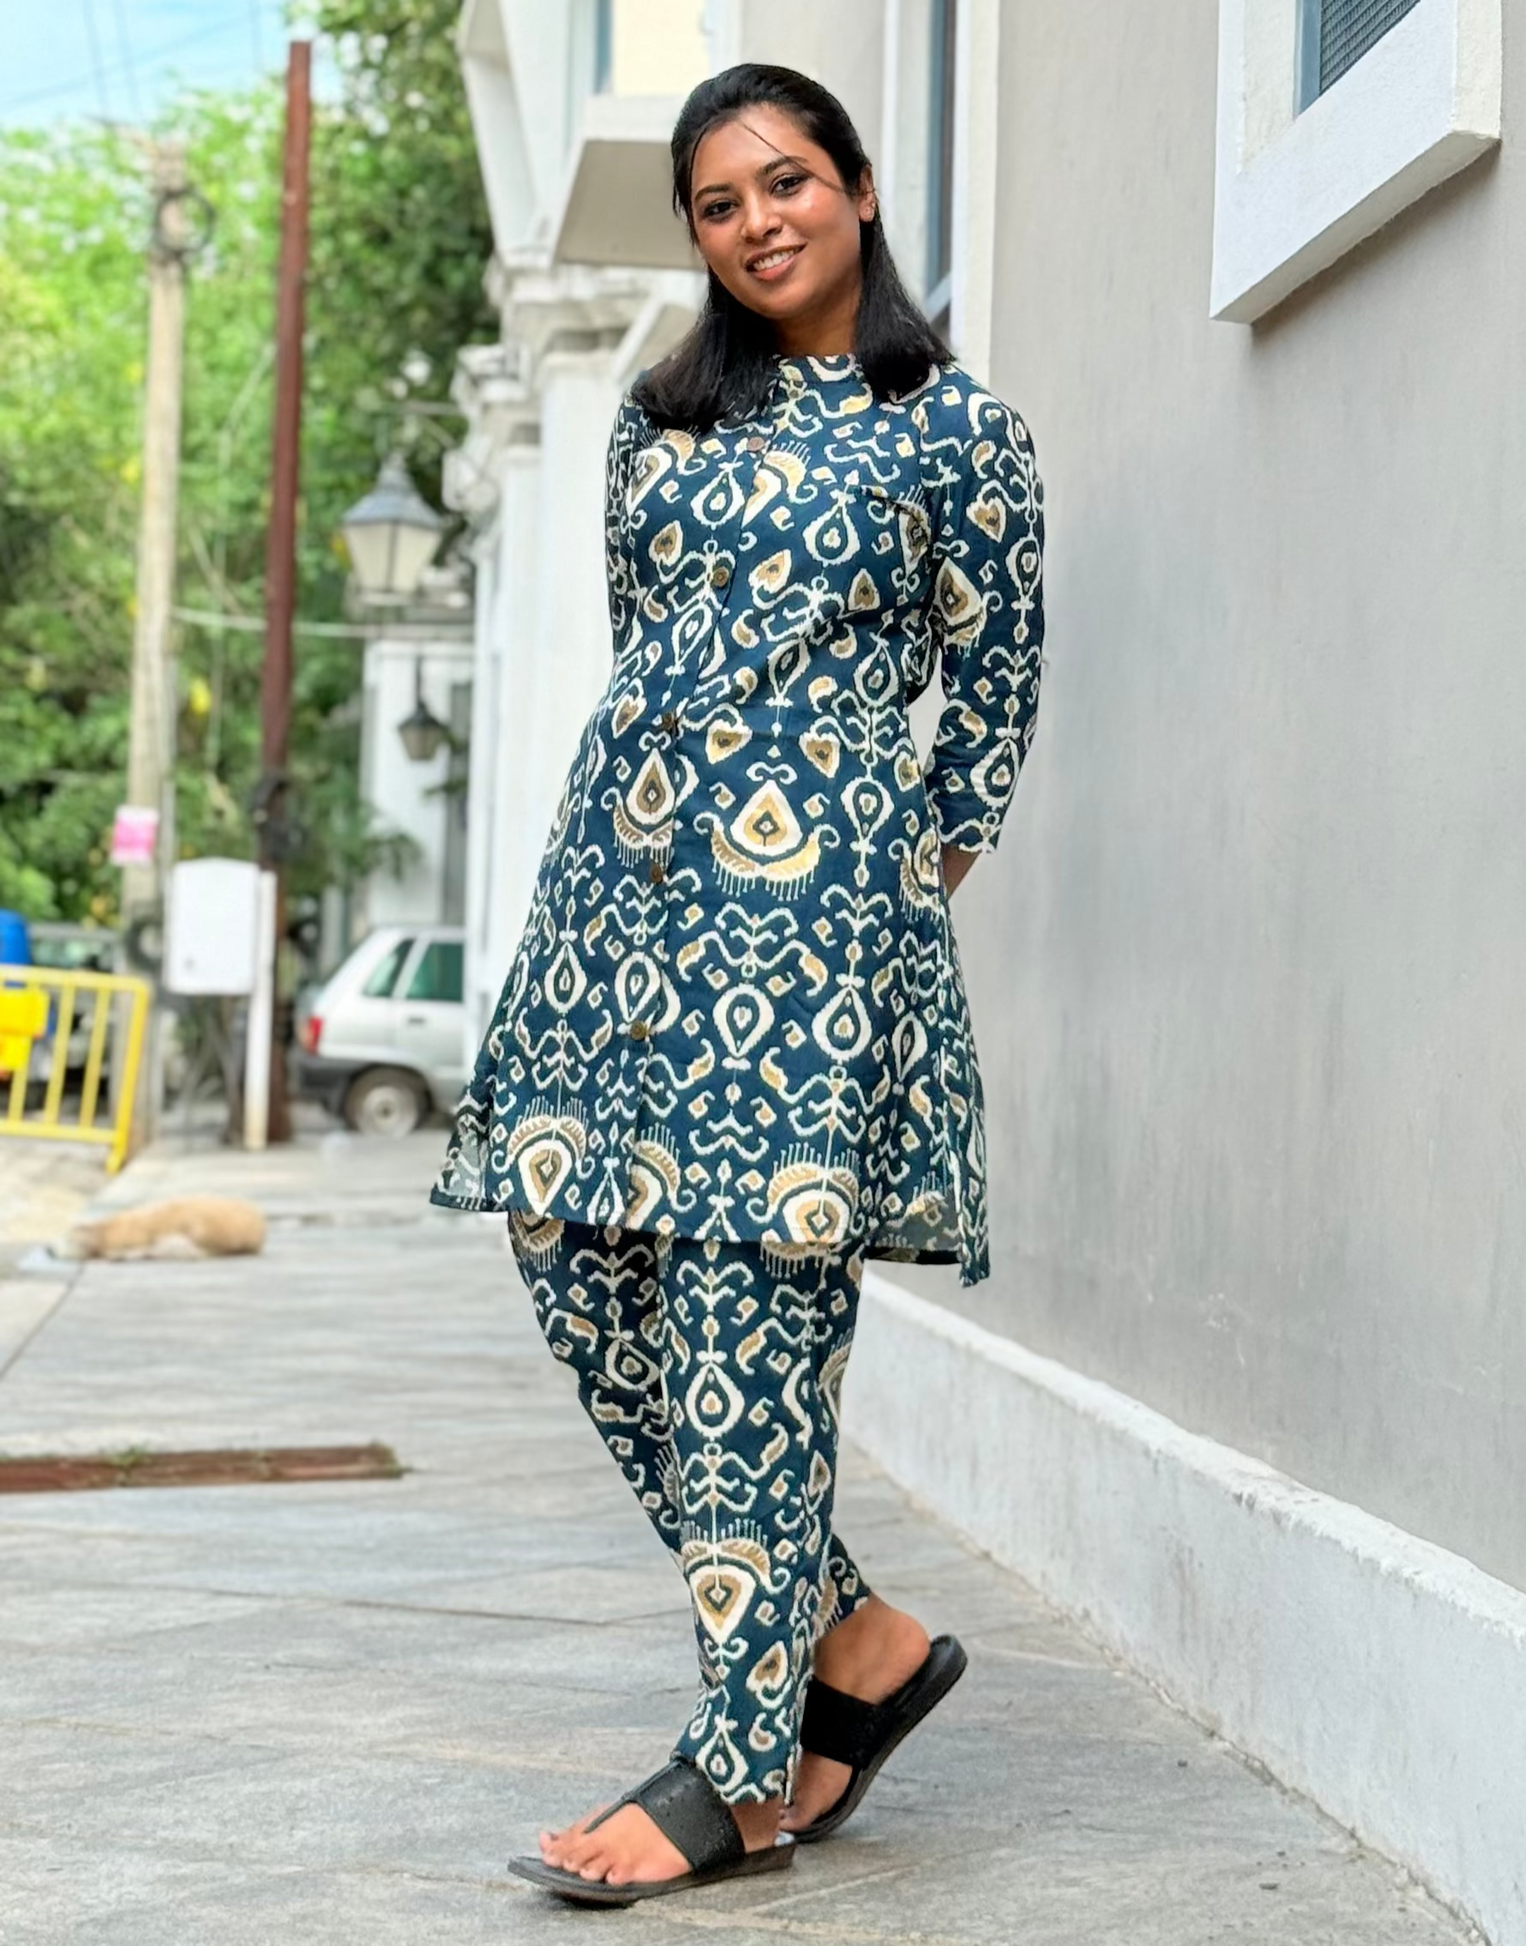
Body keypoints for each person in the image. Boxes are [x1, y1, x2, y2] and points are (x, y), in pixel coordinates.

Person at [429, 62, 1046, 1905]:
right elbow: (653, 653)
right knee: (565, 1238)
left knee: (747, 1308)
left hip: (812, 938)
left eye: (786, 181)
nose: (758, 219)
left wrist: (874, 880)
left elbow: (989, 713)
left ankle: (738, 1749)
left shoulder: (960, 435)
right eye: (719, 202)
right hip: (624, 905)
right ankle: (845, 1638)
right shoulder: (656, 424)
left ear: (857, 188)